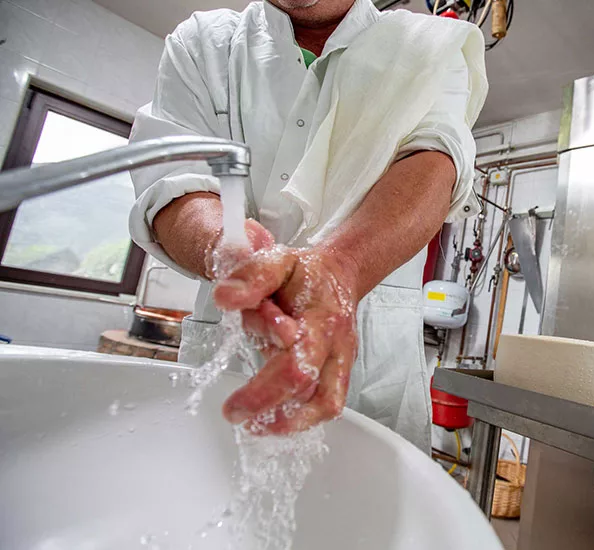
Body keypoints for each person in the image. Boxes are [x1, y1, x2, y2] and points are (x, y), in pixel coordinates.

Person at [128, 0, 487, 452]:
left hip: (372, 376)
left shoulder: (429, 46)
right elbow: (173, 176)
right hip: (228, 355)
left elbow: (436, 156)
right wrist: (231, 249)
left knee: (361, 511)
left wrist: (343, 267)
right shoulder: (204, 44)